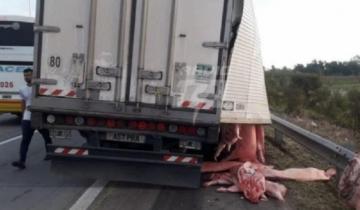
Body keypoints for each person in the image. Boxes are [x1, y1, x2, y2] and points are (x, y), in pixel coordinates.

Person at [12, 68, 52, 170]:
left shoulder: (39, 87)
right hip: (27, 118)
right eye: (25, 75)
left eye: (29, 75)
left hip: (39, 116)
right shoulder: (22, 89)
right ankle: (22, 161)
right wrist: (22, 116)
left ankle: (50, 153)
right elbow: (23, 103)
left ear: (33, 75)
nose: (27, 77)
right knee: (25, 140)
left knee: (46, 136)